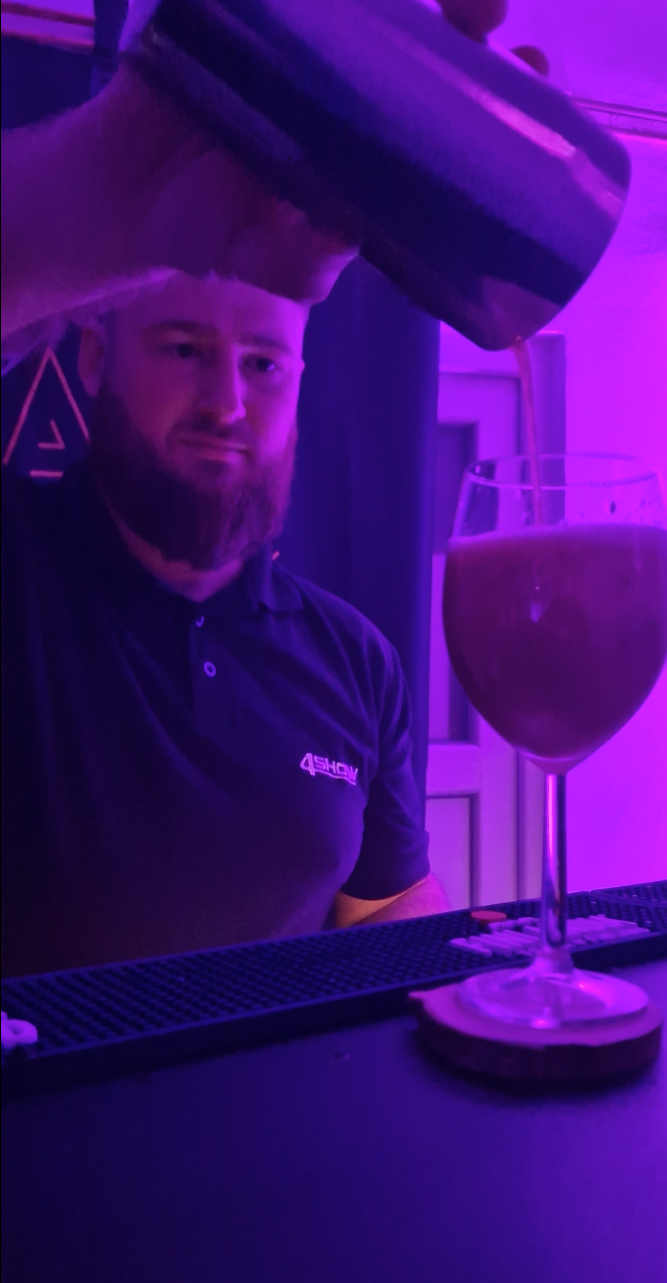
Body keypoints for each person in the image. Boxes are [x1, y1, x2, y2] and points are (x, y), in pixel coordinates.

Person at [1, 55, 454, 977]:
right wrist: (116, 170)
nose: (227, 404)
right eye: (183, 348)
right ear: (93, 357)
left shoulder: (356, 661)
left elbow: (388, 908)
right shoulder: (13, 566)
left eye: (263, 365)